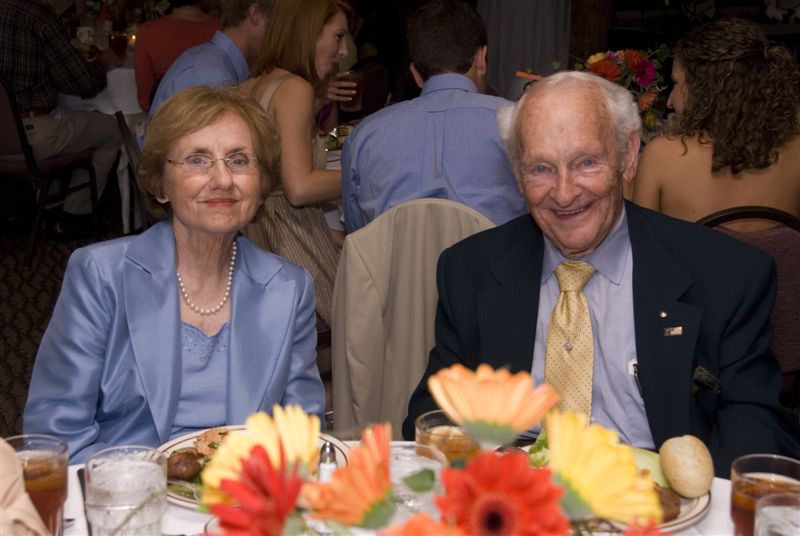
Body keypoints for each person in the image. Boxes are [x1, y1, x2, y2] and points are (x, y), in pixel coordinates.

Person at [402, 71, 800, 476]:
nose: (564, 193)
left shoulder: (725, 276)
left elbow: (759, 431)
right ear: (517, 172)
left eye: (587, 162)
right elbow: (432, 416)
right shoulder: (469, 271)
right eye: (541, 168)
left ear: (628, 155)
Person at [23, 86, 325, 463]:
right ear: (160, 185)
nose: (222, 179)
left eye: (239, 160)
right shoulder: (101, 276)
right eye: (197, 160)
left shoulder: (289, 287)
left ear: (261, 185)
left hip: (245, 492)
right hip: (126, 490)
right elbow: (54, 439)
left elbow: (302, 435)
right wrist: (156, 484)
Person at [341, 0, 527, 233]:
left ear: (415, 74)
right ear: (481, 59)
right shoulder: (518, 123)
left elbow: (358, 234)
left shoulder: (363, 136)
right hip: (496, 257)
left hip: (394, 258)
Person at [242, 0, 353, 327]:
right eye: (338, 37)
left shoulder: (258, 82)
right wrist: (364, 175)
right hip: (288, 241)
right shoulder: (295, 89)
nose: (344, 51)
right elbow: (300, 187)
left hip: (259, 236)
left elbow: (322, 140)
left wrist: (330, 111)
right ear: (309, 33)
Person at [632, 19, 800, 229]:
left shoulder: (661, 155)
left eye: (676, 83)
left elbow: (641, 244)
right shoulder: (796, 150)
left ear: (703, 91)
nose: (670, 102)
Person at [0, 0, 122, 237]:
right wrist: (103, 63)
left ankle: (48, 203)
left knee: (63, 115)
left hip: (8, 133)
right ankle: (76, 214)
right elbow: (82, 82)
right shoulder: (38, 17)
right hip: (32, 136)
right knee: (113, 129)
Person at [148, 0, 271, 116]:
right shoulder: (215, 78)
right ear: (255, 14)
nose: (276, 32)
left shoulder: (211, 60)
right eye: (273, 20)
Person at [134, 0, 220, 112]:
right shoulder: (222, 30)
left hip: (166, 117)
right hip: (216, 114)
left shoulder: (148, 32)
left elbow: (146, 101)